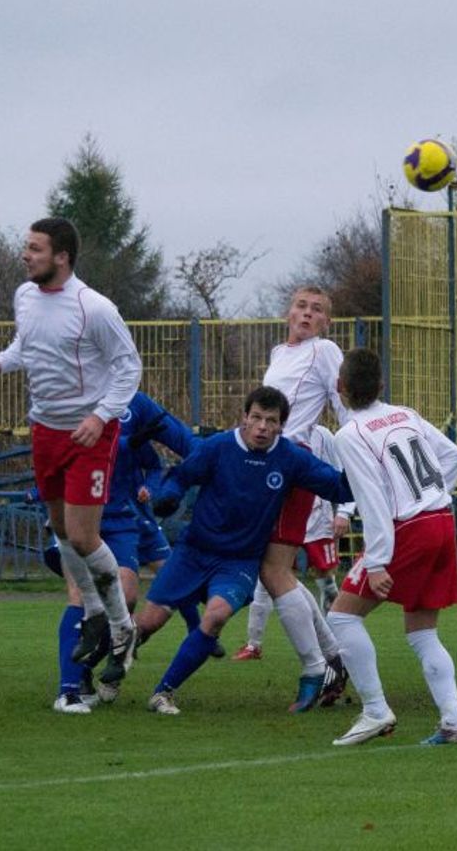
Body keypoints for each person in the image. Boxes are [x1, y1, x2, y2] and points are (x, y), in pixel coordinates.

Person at [0, 217, 142, 686]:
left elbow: (129, 367)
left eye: (36, 249)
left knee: (86, 537)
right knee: (62, 532)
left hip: (88, 433)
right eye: (26, 247)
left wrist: (101, 415)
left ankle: (123, 630)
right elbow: (26, 346)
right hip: (44, 430)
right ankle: (93, 613)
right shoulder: (26, 296)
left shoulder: (94, 307)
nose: (26, 255)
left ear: (62, 256)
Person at [137, 386, 353, 715]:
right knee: (150, 621)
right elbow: (181, 475)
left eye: (271, 421)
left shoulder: (291, 455)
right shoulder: (219, 447)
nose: (263, 427)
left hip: (237, 559)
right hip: (194, 551)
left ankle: (163, 692)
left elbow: (336, 483)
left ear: (282, 425)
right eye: (257, 418)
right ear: (244, 418)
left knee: (222, 611)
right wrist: (168, 495)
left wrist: (369, 470)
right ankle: (97, 668)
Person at [326, 348, 457, 746]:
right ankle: (453, 721)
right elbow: (454, 456)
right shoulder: (405, 414)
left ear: (339, 388)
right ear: (382, 386)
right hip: (442, 520)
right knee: (422, 631)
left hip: (408, 529)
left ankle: (375, 710)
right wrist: (434, 495)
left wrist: (376, 560)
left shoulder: (349, 434)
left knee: (341, 618)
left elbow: (371, 500)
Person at [48, 391, 201, 714]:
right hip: (77, 508)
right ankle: (69, 691)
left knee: (127, 594)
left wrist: (221, 456)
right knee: (82, 594)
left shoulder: (136, 402)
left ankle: (93, 665)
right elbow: (66, 446)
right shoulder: (69, 393)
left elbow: (181, 443)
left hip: (118, 516)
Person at [257, 286, 351, 711]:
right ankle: (332, 659)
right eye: (301, 306)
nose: (307, 314)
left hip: (291, 468)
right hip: (269, 467)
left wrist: (358, 460)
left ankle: (321, 664)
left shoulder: (324, 350)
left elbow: (343, 405)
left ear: (326, 322)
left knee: (275, 572)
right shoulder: (281, 354)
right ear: (288, 311)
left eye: (317, 310)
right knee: (275, 572)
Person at [233, 424, 353, 706]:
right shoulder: (264, 434)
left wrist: (345, 512)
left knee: (305, 577)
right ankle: (259, 644)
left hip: (317, 516)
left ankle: (325, 662)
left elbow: (343, 475)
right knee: (274, 576)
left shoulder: (323, 436)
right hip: (278, 512)